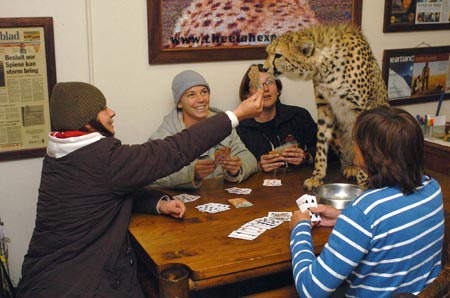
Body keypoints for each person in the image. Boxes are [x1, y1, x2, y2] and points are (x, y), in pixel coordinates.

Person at [16, 81, 263, 298]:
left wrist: (158, 203)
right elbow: (174, 150)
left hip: (45, 278)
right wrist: (236, 115)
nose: (111, 112)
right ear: (87, 124)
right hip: (79, 285)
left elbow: (102, 195)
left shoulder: (63, 155)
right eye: (102, 109)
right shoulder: (102, 158)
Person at [289, 106, 444, 297]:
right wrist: (343, 218)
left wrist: (300, 228)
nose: (351, 144)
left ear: (372, 153)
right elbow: (391, 224)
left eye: (355, 141)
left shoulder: (365, 210)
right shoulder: (433, 188)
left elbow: (310, 289)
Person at [149, 70, 258, 189]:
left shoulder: (222, 122)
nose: (201, 99)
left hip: (222, 199)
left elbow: (249, 159)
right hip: (183, 204)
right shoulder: (166, 134)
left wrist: (237, 168)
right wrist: (191, 173)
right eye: (191, 95)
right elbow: (151, 175)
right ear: (179, 103)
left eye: (204, 92)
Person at [236, 64, 317, 173]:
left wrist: (307, 157)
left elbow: (330, 150)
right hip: (259, 188)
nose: (265, 89)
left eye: (270, 82)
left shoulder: (298, 115)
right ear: (247, 95)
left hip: (298, 185)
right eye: (257, 85)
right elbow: (235, 170)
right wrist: (258, 167)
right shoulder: (239, 128)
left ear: (278, 89)